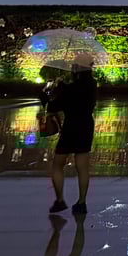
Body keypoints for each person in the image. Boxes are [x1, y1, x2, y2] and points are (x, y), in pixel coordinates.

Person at [47, 54, 98, 216]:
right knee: (82, 167)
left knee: (58, 163)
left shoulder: (70, 88)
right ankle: (82, 202)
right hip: (86, 126)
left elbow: (53, 106)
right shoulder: (92, 85)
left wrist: (57, 89)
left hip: (70, 127)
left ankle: (59, 200)